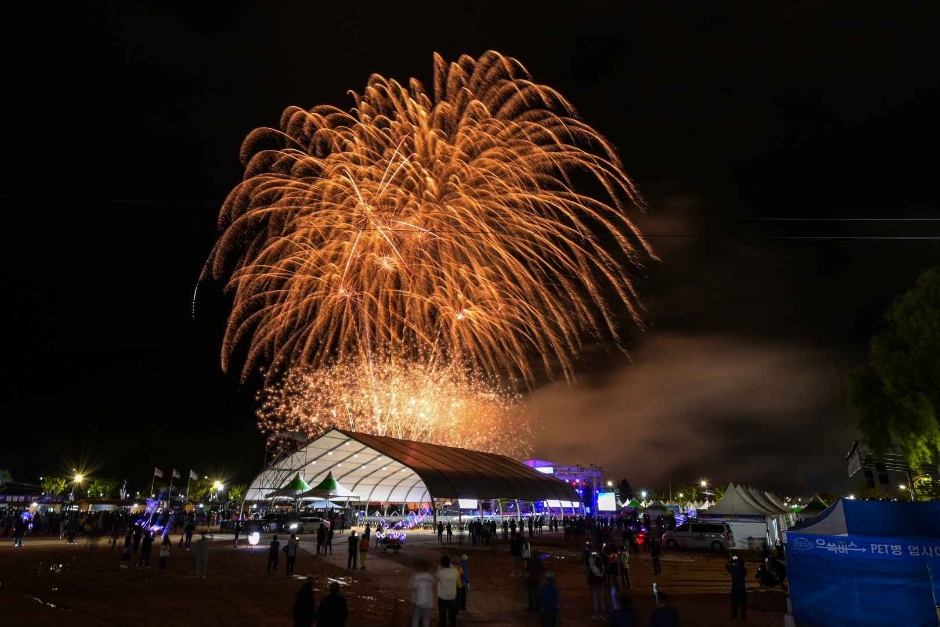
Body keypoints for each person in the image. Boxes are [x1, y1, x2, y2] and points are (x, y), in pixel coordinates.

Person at [409, 559, 434, 627]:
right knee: (426, 620)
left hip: (419, 601)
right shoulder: (430, 577)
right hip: (428, 602)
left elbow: (413, 586)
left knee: (416, 619)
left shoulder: (416, 577)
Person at [436, 555, 459, 627]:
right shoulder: (455, 571)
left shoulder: (440, 572)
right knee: (452, 618)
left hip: (443, 598)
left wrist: (440, 566)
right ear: (449, 563)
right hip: (452, 597)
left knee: (442, 618)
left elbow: (436, 573)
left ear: (442, 563)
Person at [727, 555, 748, 621]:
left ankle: (734, 617)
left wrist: (731, 560)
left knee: (734, 603)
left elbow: (727, 566)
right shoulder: (744, 570)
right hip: (742, 588)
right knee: (742, 604)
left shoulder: (734, 568)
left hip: (735, 587)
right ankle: (743, 617)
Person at [588, 551, 606, 620]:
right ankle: (603, 616)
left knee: (595, 600)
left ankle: (596, 615)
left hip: (595, 585)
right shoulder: (602, 567)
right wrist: (596, 556)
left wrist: (591, 556)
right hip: (601, 584)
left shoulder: (593, 567)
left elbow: (590, 562)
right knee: (601, 600)